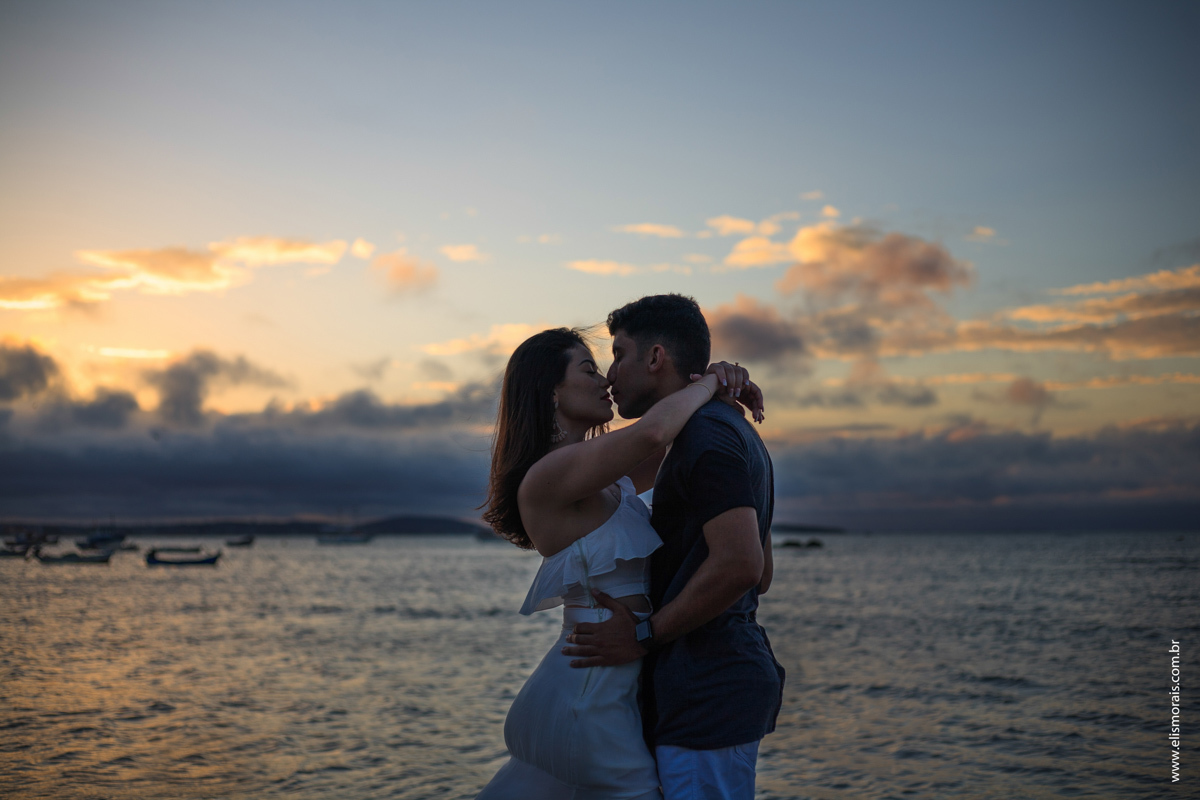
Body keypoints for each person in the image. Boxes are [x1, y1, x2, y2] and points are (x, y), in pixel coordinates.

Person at [475, 326, 762, 800]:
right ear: (551, 391)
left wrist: (722, 389)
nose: (605, 380)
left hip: (611, 684)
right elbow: (655, 431)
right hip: (590, 692)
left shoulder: (606, 479)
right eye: (589, 370)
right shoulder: (547, 475)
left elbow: (677, 444)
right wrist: (711, 380)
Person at [562, 294, 785, 800]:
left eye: (618, 354)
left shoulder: (705, 435)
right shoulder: (724, 429)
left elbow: (743, 566)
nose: (611, 375)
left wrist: (642, 635)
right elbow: (761, 571)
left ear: (656, 357)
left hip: (706, 693)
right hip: (712, 686)